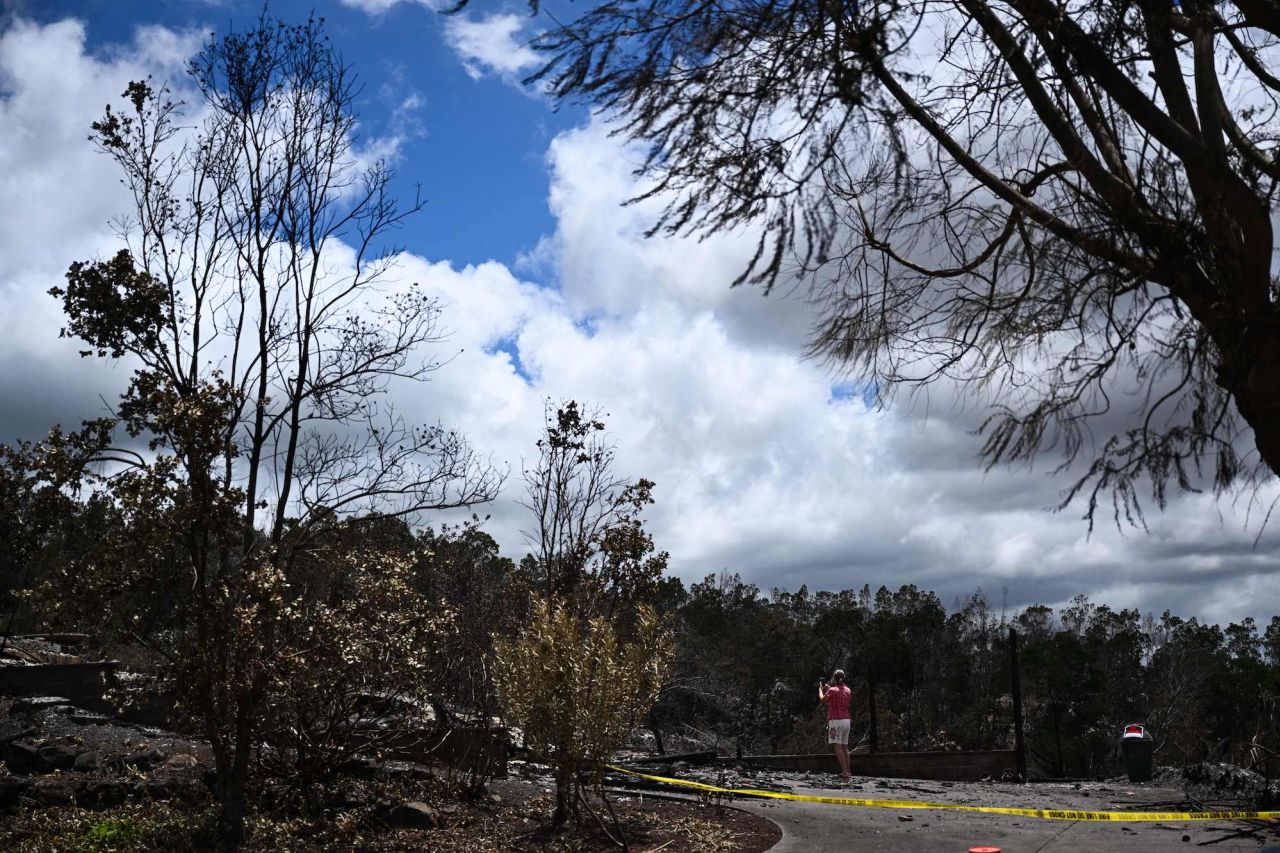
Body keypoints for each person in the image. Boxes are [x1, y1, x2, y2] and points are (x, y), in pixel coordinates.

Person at [819, 669, 852, 781]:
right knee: (845, 746)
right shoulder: (848, 690)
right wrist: (829, 688)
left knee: (837, 747)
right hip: (847, 720)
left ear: (834, 678)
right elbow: (839, 693)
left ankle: (844, 772)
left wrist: (820, 689)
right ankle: (848, 770)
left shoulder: (832, 690)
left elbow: (823, 700)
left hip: (835, 721)